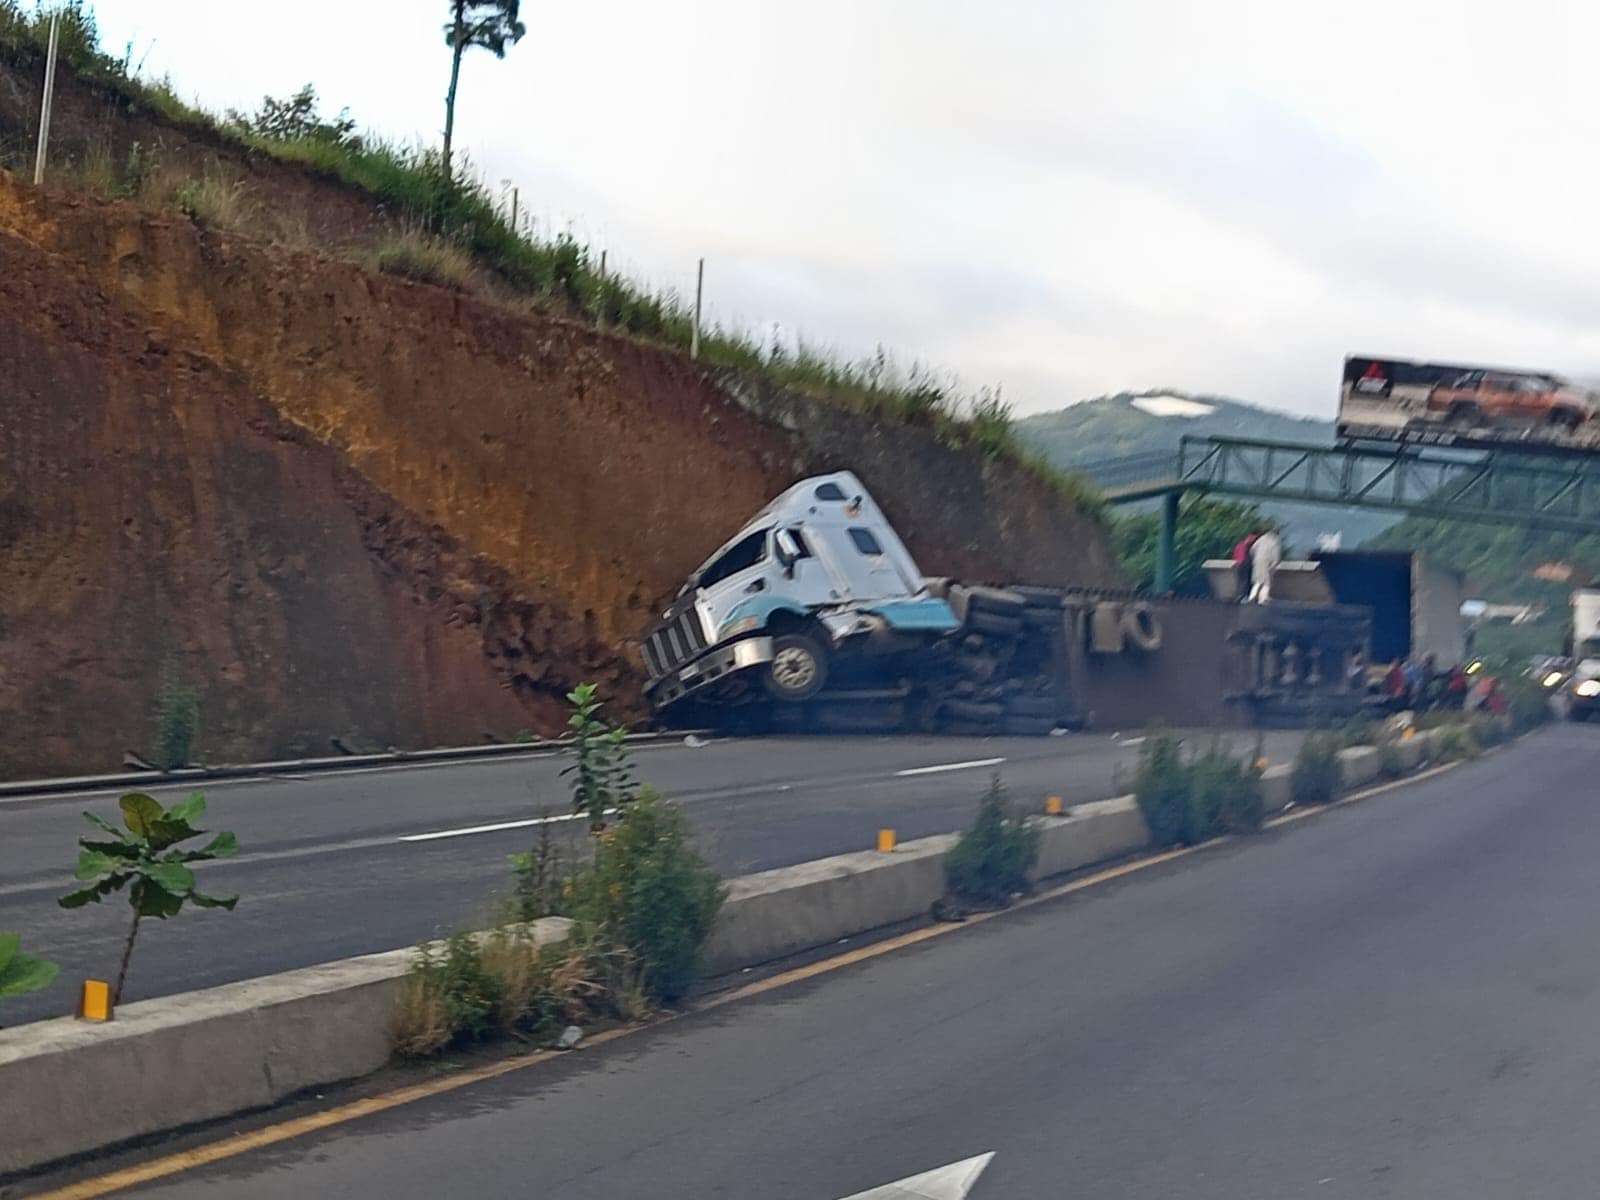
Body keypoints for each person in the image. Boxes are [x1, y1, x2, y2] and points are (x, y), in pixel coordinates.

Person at [1247, 526, 1281, 604]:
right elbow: (1276, 554)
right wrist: (1274, 563)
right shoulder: (1275, 541)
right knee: (1266, 582)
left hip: (1257, 560)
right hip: (1267, 561)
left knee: (1257, 580)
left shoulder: (1261, 539)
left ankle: (1252, 597)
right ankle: (1262, 599)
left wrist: (1254, 557)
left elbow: (1252, 549)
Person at [1230, 531, 1258, 602]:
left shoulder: (1240, 545)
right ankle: (1243, 597)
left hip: (1242, 565)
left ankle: (1241, 596)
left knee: (1242, 581)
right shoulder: (1244, 546)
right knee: (1245, 581)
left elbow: (1235, 555)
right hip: (1244, 565)